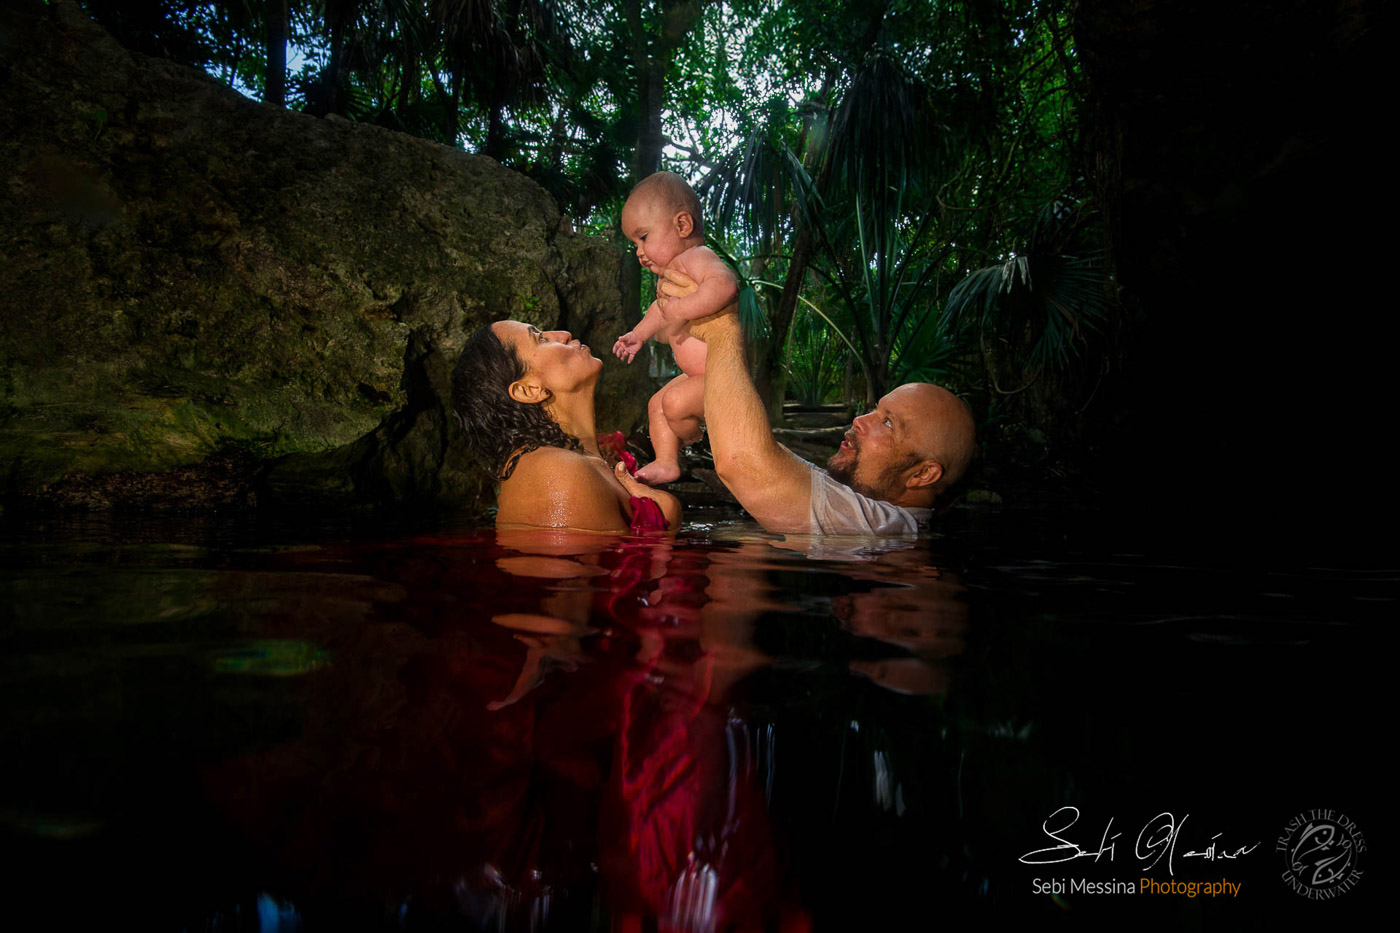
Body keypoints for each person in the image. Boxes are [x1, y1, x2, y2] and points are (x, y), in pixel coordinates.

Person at [662, 271, 976, 536]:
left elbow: (743, 464)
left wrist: (721, 328)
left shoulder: (881, 525)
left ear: (923, 475)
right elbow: (766, 455)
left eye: (888, 423)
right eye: (875, 410)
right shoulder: (855, 497)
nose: (860, 420)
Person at [452, 320, 681, 532]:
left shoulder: (574, 462)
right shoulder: (558, 473)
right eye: (541, 339)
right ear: (529, 390)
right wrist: (668, 510)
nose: (563, 335)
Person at [612, 171, 739, 485]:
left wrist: (681, 308)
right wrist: (638, 334)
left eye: (643, 237)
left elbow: (724, 285)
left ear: (682, 225)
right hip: (698, 375)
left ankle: (693, 435)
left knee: (674, 403)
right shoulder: (672, 274)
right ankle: (667, 461)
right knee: (657, 404)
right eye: (634, 243)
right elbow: (660, 311)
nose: (639, 250)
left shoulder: (698, 258)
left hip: (721, 372)